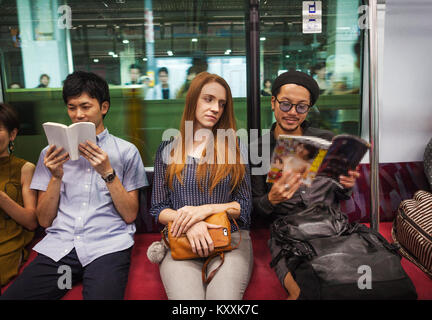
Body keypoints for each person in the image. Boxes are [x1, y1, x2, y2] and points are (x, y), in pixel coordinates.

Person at [1, 71, 148, 300]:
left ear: (104, 107)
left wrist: (107, 172)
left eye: (85, 106)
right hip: (63, 246)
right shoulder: (50, 154)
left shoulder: (126, 152)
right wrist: (56, 176)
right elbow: (44, 220)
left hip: (107, 246)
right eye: (72, 107)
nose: (78, 115)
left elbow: (130, 215)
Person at [249, 71, 360, 300]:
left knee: (353, 287)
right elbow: (252, 208)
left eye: (301, 107)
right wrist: (271, 200)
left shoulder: (325, 139)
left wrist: (346, 185)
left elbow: (340, 193)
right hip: (288, 234)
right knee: (305, 292)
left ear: (308, 109)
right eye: (286, 104)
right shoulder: (257, 147)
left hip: (332, 228)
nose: (292, 113)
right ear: (273, 102)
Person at [150, 72, 253, 300]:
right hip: (181, 238)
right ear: (193, 100)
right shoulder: (167, 150)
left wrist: (204, 211)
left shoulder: (235, 147)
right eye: (208, 99)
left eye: (222, 103)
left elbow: (244, 207)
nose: (216, 108)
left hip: (229, 238)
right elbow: (158, 208)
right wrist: (189, 224)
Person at [0, 103, 37, 287]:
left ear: (12, 134)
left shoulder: (24, 168)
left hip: (8, 246)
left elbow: (31, 222)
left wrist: (2, 198)